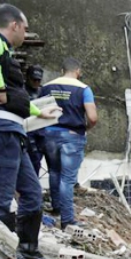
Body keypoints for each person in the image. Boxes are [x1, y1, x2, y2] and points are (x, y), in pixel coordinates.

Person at [0, 4, 61, 259]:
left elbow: (16, 100)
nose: (25, 33)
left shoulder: (3, 51)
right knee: (0, 196)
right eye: (25, 28)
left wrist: (40, 113)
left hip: (12, 132)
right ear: (15, 25)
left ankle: (28, 250)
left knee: (31, 193)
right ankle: (1, 256)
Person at [38, 57, 98, 229]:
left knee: (54, 172)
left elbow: (39, 111)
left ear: (62, 70)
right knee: (67, 178)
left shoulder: (47, 87)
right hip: (72, 136)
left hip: (49, 134)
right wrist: (85, 128)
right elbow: (92, 117)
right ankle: (67, 219)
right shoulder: (84, 89)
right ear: (78, 71)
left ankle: (57, 207)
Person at [24, 65, 45, 175]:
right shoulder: (21, 90)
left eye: (38, 80)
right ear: (27, 77)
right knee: (32, 160)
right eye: (34, 79)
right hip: (27, 130)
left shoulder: (43, 90)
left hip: (41, 130)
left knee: (37, 161)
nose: (36, 82)